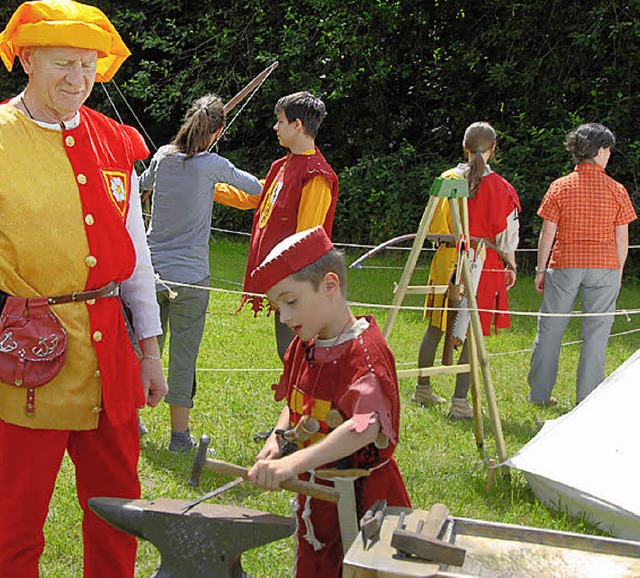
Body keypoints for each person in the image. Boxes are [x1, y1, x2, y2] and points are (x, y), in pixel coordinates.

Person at [0, 1, 168, 576]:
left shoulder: (111, 140)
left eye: (88, 64)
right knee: (13, 524)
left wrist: (148, 349)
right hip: (26, 355)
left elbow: (135, 258)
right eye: (62, 63)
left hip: (109, 350)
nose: (78, 79)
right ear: (26, 60)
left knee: (118, 513)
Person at [247, 226, 411, 578]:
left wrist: (296, 463)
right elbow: (295, 403)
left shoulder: (365, 353)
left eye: (291, 302)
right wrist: (279, 439)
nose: (285, 317)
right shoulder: (304, 345)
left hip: (366, 502)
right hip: (319, 499)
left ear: (330, 285)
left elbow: (363, 427)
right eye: (278, 307)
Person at [139, 94, 262, 452]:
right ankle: (179, 437)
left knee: (146, 348)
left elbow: (141, 183)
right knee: (183, 355)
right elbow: (255, 187)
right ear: (218, 131)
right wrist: (214, 179)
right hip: (190, 277)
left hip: (152, 271)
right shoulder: (213, 164)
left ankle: (132, 420)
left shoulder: (163, 155)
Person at [412, 122, 520, 420]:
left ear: (464, 146)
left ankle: (423, 388)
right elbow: (507, 236)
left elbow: (431, 229)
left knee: (436, 326)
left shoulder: (446, 178)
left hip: (447, 261)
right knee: (472, 334)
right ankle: (459, 402)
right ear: (493, 150)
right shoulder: (501, 188)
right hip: (482, 265)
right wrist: (510, 264)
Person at [528, 123, 636, 406]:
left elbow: (547, 232)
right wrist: (618, 271)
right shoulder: (617, 190)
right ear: (599, 151)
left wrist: (541, 269)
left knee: (550, 329)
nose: (609, 154)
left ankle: (538, 395)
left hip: (565, 263)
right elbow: (621, 238)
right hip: (604, 266)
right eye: (608, 149)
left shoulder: (560, 186)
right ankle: (586, 400)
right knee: (596, 335)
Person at [239, 91, 339, 361]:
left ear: (298, 125)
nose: (276, 127)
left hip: (300, 281)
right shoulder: (281, 166)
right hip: (285, 279)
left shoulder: (316, 174)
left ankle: (308, 403)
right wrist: (206, 185)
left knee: (297, 353)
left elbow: (307, 238)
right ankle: (298, 403)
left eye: (281, 121)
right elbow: (255, 196)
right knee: (288, 352)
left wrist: (293, 284)